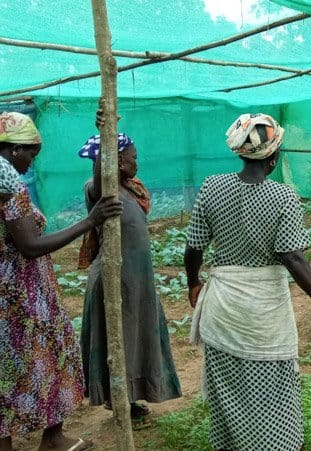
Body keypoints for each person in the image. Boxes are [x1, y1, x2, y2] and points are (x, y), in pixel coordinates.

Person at [184, 113, 311, 450]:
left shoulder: (212, 187)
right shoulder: (283, 197)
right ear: (273, 158)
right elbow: (292, 257)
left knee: (229, 392)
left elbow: (193, 247)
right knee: (272, 390)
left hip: (223, 309)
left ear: (240, 151)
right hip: (263, 316)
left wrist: (193, 284)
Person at [1, 111, 122, 451]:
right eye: (30, 154)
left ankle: (49, 438)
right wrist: (90, 221)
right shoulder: (7, 182)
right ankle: (41, 440)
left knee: (16, 366)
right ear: (13, 150)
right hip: (20, 300)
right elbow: (30, 246)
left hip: (16, 293)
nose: (31, 163)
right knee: (41, 357)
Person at [77, 129, 182, 420]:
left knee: (136, 336)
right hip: (116, 279)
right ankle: (118, 399)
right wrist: (105, 140)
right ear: (118, 161)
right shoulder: (99, 189)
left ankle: (131, 395)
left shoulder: (129, 188)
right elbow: (99, 179)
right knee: (119, 339)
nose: (137, 162)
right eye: (133, 158)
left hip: (137, 279)